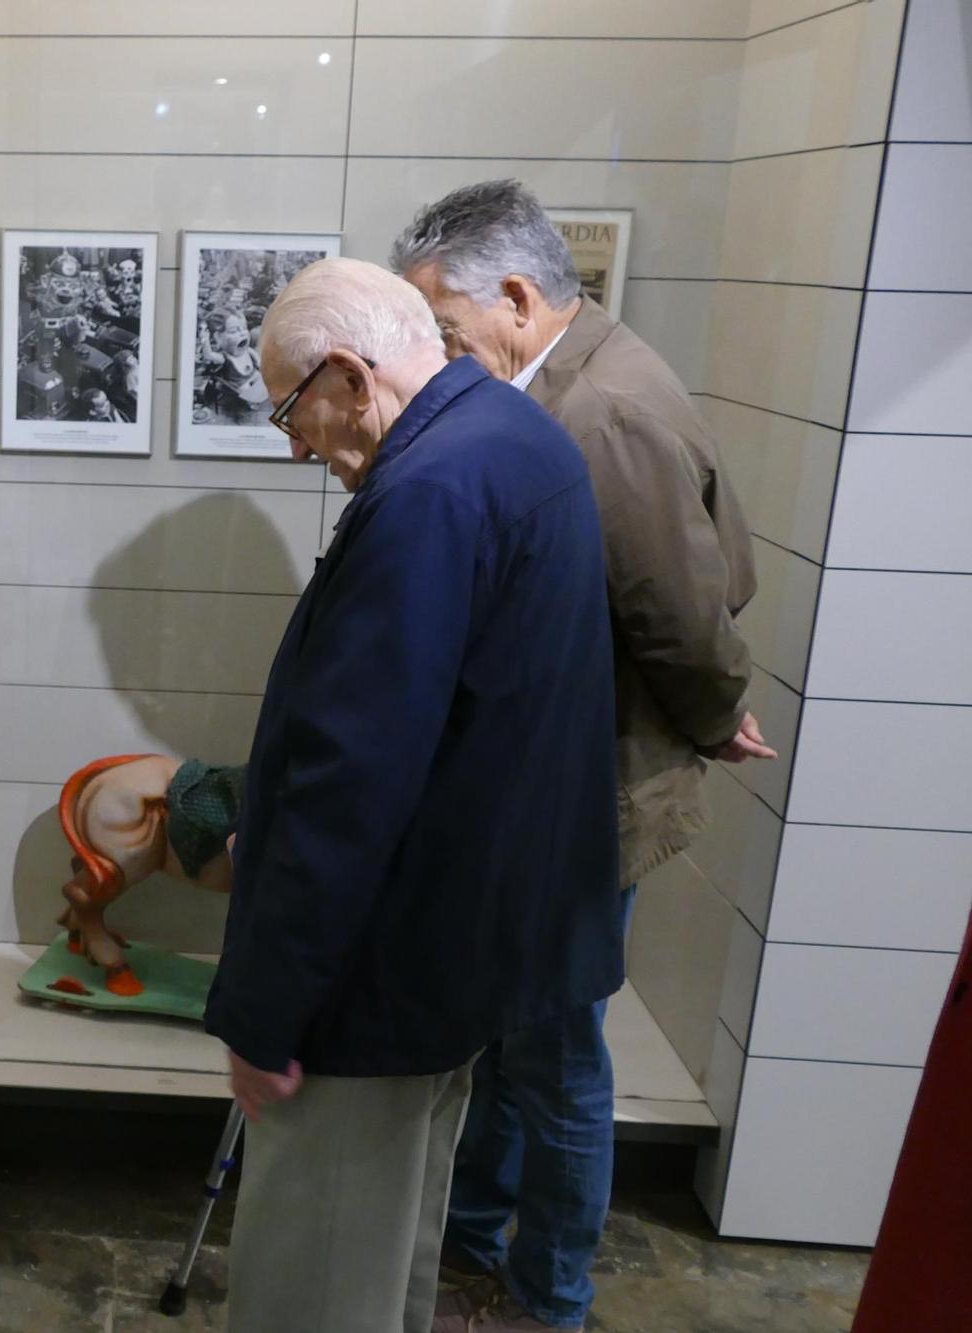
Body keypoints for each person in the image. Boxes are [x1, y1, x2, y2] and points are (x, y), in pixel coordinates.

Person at [205, 258, 624, 1333]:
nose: (294, 443)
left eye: (290, 412)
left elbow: (354, 779)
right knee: (388, 1247)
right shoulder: (507, 433)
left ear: (348, 374)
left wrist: (264, 1011)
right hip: (459, 952)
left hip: (374, 975)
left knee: (314, 1270)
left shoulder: (426, 492)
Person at [390, 179, 774, 1333]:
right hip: (557, 773)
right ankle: (473, 1249)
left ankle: (543, 1297)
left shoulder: (594, 411)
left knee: (553, 1050)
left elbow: (677, 606)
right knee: (515, 1036)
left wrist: (712, 713)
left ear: (513, 296)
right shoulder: (573, 378)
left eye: (446, 329)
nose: (440, 355)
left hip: (588, 782)